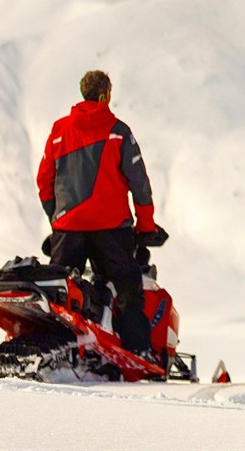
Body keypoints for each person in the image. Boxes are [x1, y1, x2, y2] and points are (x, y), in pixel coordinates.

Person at [37, 69, 159, 355]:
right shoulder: (119, 132)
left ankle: (56, 349)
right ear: (105, 95)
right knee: (128, 289)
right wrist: (146, 227)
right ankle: (136, 352)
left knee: (61, 294)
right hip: (112, 230)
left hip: (68, 229)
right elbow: (140, 184)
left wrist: (56, 217)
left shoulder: (58, 131)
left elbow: (44, 180)